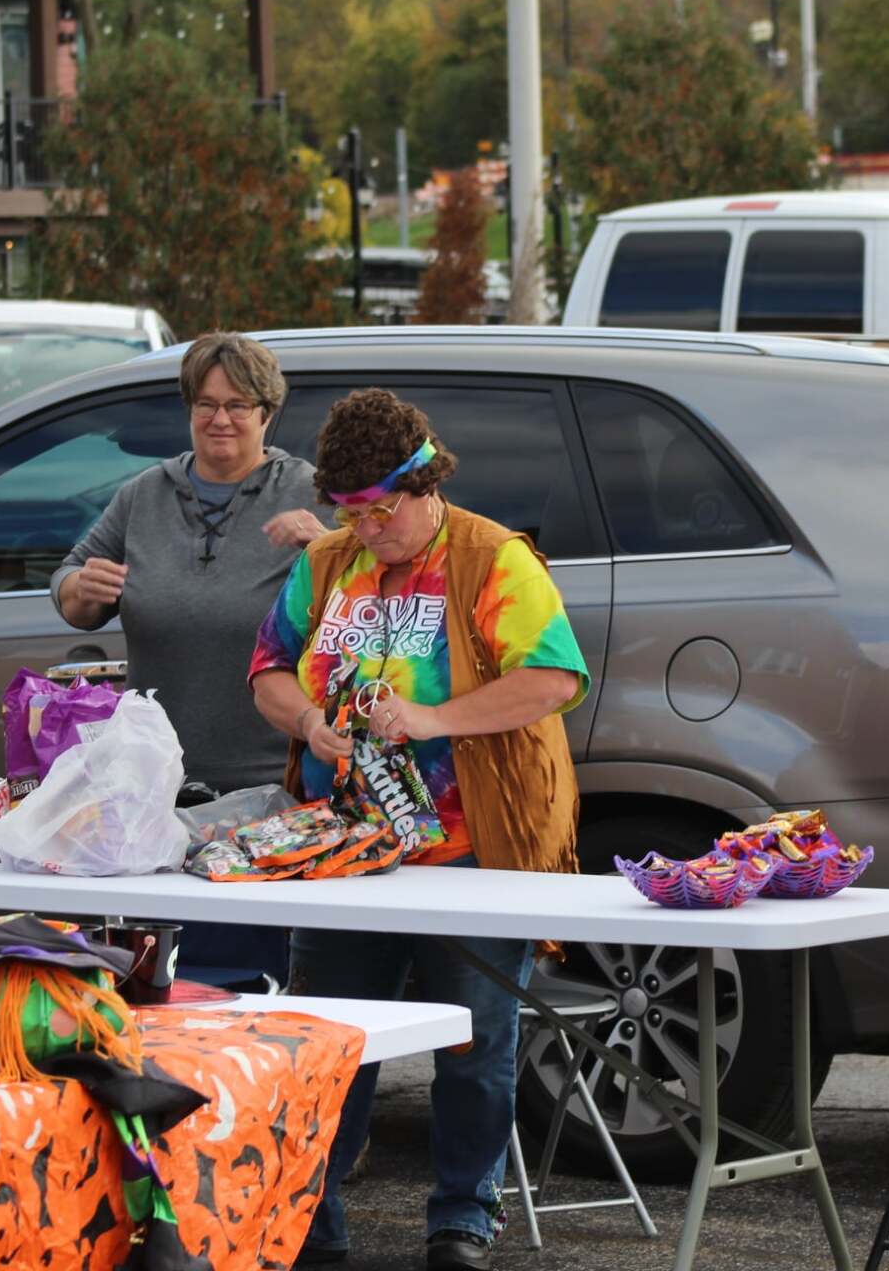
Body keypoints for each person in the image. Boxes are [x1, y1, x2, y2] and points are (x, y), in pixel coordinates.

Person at [248, 388, 588, 1271]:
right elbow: (269, 671)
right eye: (349, 512)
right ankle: (309, 1225)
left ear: (424, 483)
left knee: (475, 1043)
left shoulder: (491, 559)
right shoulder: (325, 564)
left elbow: (553, 678)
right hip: (344, 854)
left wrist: (436, 720)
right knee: (326, 1047)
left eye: (380, 511)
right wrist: (307, 723)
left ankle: (463, 1219)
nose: (365, 529)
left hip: (470, 847)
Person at [52, 332, 330, 981]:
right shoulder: (145, 494)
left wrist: (325, 545)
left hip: (273, 787)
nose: (221, 419)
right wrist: (79, 590)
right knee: (173, 979)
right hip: (157, 787)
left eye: (239, 404)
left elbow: (373, 589)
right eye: (205, 404)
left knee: (256, 980)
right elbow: (72, 587)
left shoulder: (309, 490)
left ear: (268, 412)